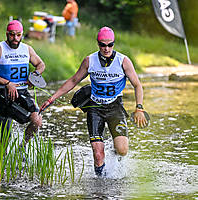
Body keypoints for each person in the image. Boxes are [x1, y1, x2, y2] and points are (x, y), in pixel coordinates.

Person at [40, 27, 147, 176]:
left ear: (114, 44)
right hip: (95, 108)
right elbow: (74, 80)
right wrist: (52, 98)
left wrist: (139, 108)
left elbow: (137, 85)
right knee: (97, 155)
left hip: (115, 107)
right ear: (98, 44)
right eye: (103, 45)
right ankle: (100, 185)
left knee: (122, 150)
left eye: (110, 45)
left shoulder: (123, 61)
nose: (106, 48)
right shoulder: (89, 61)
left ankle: (113, 149)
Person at [0, 20, 45, 146]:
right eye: (11, 34)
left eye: (18, 35)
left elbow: (41, 64)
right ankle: (0, 162)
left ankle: (22, 146)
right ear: (6, 34)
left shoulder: (27, 49)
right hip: (4, 95)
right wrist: (7, 83)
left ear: (22, 34)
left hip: (23, 92)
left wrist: (34, 76)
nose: (15, 38)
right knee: (5, 139)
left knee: (37, 121)